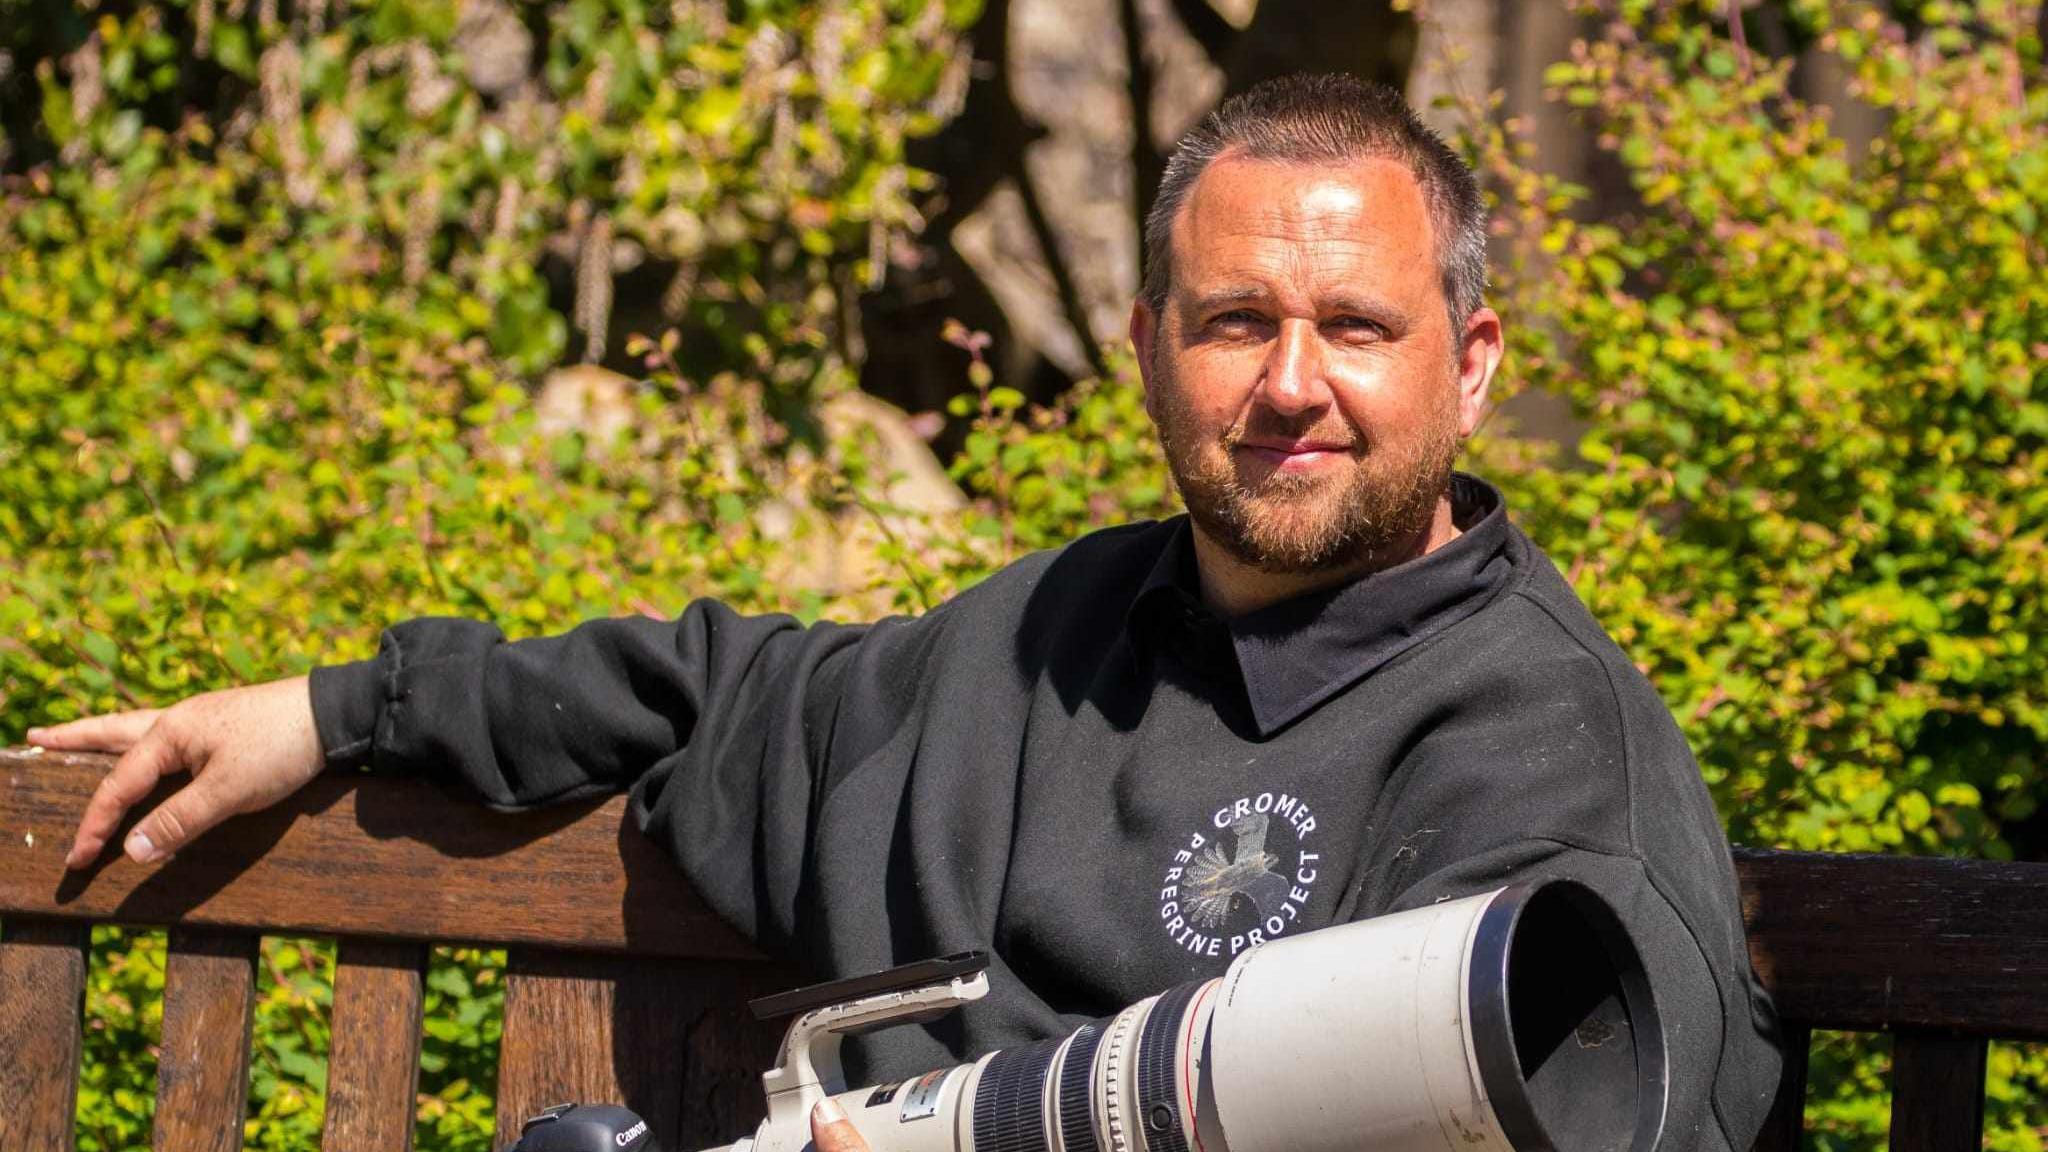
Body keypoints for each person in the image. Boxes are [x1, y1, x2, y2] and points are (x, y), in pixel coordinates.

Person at [31, 74, 1782, 1149]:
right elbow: (709, 692)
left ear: (1470, 367)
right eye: (1237, 320)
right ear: (1152, 350)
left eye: (1360, 327)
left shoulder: (1550, 767)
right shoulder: (1044, 636)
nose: (1291, 384)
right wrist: (340, 713)